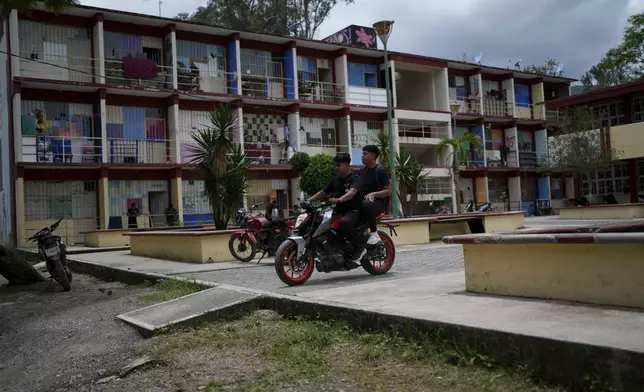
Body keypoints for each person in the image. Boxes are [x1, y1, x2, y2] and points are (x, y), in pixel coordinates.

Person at [308, 152, 365, 262]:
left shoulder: (355, 178)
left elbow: (352, 192)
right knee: (324, 226)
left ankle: (358, 247)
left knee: (345, 223)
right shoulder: (335, 179)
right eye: (336, 165)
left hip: (353, 210)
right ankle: (337, 251)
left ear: (347, 165)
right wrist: (308, 200)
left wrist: (339, 199)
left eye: (339, 165)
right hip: (337, 211)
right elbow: (323, 192)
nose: (336, 167)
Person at [359, 145, 391, 245]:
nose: (362, 156)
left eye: (365, 154)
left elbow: (388, 191)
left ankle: (374, 233)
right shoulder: (362, 170)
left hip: (379, 202)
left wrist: (373, 194)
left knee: (366, 204)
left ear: (372, 155)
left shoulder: (379, 170)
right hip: (364, 200)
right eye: (362, 154)